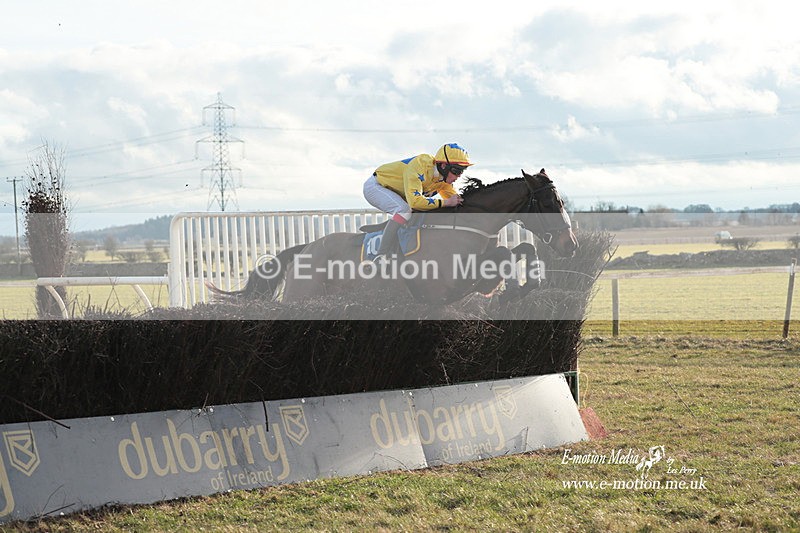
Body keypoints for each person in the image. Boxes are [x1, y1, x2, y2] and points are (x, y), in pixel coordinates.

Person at [363, 143, 472, 260]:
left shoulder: (444, 182)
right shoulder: (420, 165)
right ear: (444, 166)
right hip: (377, 187)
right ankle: (381, 255)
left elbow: (457, 201)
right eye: (456, 171)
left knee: (414, 211)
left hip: (397, 192)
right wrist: (445, 202)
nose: (459, 176)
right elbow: (415, 202)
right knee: (404, 210)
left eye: (462, 171)